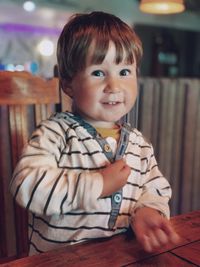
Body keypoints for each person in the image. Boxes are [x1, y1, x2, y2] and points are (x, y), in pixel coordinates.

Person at [10, 11, 180, 255]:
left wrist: (147, 211)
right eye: (99, 72)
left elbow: (155, 189)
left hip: (121, 257)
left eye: (124, 72)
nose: (114, 86)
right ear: (68, 82)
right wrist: (98, 184)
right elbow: (27, 186)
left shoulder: (139, 144)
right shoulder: (55, 134)